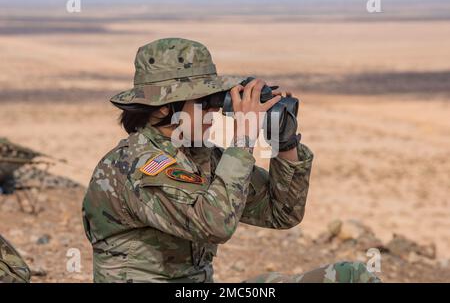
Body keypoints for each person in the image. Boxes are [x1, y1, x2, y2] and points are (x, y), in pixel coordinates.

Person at [82, 38, 380, 283]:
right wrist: (242, 141)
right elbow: (214, 225)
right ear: (162, 109)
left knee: (349, 278)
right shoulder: (137, 164)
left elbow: (282, 212)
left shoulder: (199, 155)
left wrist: (284, 142)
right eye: (204, 102)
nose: (214, 112)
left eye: (216, 100)